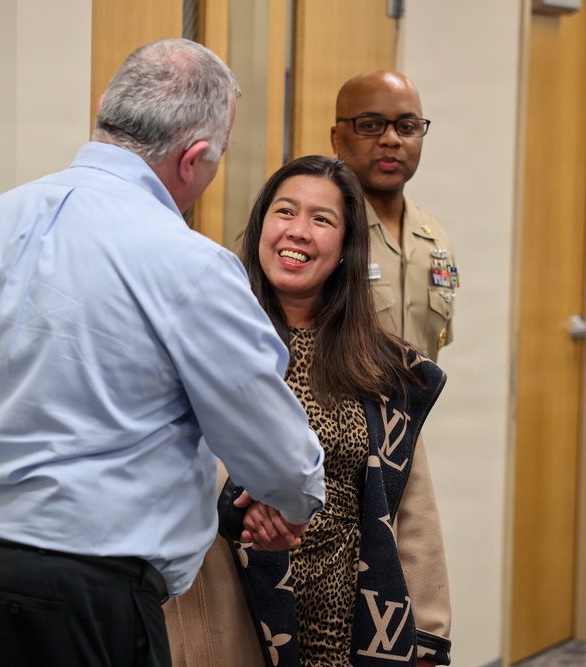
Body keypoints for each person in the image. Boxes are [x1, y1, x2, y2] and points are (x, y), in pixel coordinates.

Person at [0, 38, 326, 667]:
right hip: (88, 602)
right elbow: (275, 451)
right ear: (195, 157)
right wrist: (289, 499)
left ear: (104, 109)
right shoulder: (190, 264)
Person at [166, 156, 451, 666]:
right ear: (260, 227)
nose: (298, 232)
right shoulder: (203, 336)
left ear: (345, 247)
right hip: (233, 613)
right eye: (285, 212)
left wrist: (427, 634)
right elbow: (168, 461)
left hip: (348, 623)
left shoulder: (380, 364)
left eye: (322, 220)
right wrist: (243, 502)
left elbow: (410, 507)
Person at [330, 70, 457, 362]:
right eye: (371, 125)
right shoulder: (307, 230)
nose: (391, 139)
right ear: (337, 139)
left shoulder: (433, 238)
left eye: (407, 126)